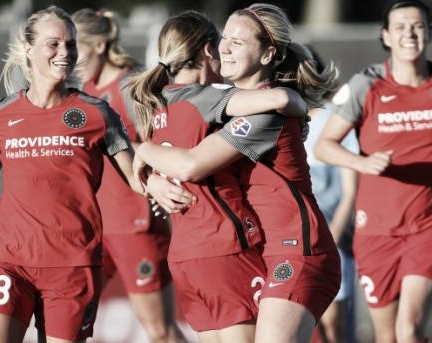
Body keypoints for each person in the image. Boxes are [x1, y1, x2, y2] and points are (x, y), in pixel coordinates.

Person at [132, 4, 342, 343]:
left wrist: (142, 151)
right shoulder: (228, 105)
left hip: (296, 248)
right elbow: (178, 155)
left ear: (267, 53)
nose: (224, 47)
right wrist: (152, 179)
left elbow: (191, 164)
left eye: (238, 42)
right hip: (262, 249)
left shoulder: (264, 111)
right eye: (224, 38)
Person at [0, 6, 140, 343]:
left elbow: (134, 175)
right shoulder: (1, 113)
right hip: (8, 255)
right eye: (54, 44)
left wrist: (172, 177)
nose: (65, 53)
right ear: (29, 49)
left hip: (72, 262)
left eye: (71, 45)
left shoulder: (96, 112)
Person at [315, 1, 432, 342]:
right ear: (386, 36)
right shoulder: (366, 86)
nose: (410, 34)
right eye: (400, 27)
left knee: (408, 330)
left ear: (430, 33)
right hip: (375, 230)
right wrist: (362, 163)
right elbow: (324, 146)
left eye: (418, 26)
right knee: (387, 336)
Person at [72, 8, 187, 343]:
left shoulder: (130, 85)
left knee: (160, 331)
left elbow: (162, 142)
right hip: (97, 225)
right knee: (70, 322)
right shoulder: (86, 90)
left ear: (97, 46)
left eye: (74, 47)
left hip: (134, 223)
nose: (69, 58)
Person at [304, 51, 359, 343]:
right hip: (296, 243)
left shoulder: (335, 122)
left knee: (333, 322)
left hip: (333, 241)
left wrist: (331, 236)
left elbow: (350, 192)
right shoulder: (280, 123)